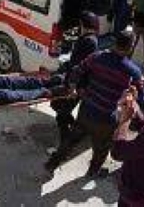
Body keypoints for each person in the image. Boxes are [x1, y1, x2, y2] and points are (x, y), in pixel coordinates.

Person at [65, 30, 144, 177]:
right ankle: (93, 171)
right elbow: (142, 98)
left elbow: (77, 70)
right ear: (131, 47)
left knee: (74, 137)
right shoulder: (133, 71)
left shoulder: (97, 57)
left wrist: (72, 87)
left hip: (86, 108)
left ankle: (56, 160)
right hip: (106, 117)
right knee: (101, 148)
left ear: (115, 42)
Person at [45, 11, 99, 171]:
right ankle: (73, 130)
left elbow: (79, 66)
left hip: (76, 84)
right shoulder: (91, 40)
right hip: (77, 82)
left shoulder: (87, 41)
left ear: (83, 25)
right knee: (60, 109)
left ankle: (64, 143)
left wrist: (72, 86)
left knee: (61, 113)